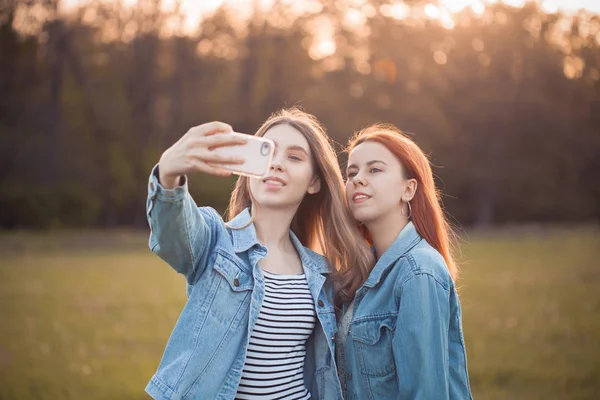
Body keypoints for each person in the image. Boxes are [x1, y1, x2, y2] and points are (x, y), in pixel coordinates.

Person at [145, 108, 373, 400]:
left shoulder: (321, 273)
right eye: (268, 152)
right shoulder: (216, 242)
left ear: (314, 182)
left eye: (294, 157)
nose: (277, 164)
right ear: (247, 166)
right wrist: (168, 174)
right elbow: (172, 234)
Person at [336, 123, 473, 399]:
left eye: (374, 169)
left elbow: (425, 393)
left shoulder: (418, 271)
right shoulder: (360, 269)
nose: (358, 179)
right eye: (352, 172)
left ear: (408, 189)